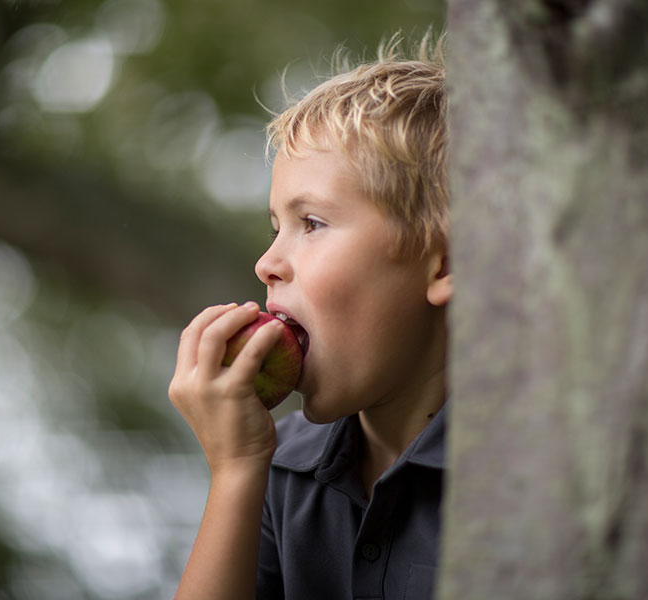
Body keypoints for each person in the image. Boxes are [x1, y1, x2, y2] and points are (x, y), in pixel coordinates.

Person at [168, 33, 451, 600]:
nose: (267, 263)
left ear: (448, 264)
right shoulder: (278, 469)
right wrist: (237, 471)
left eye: (312, 224)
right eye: (276, 228)